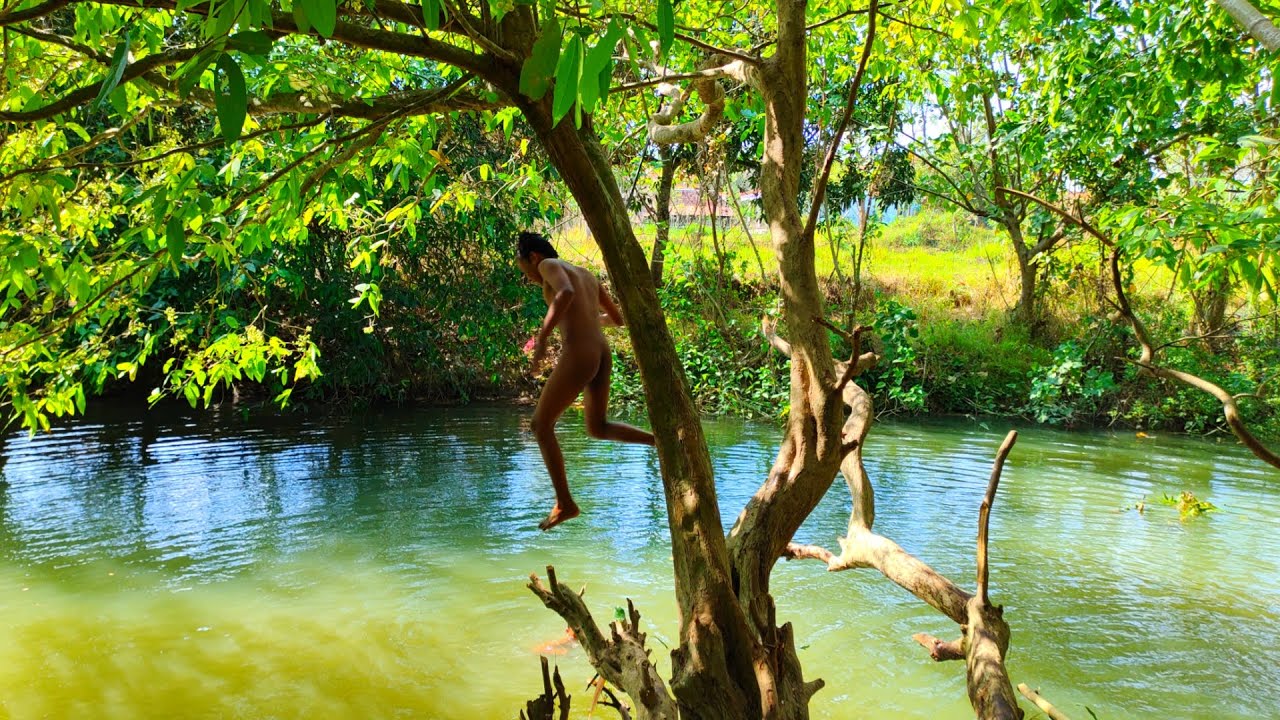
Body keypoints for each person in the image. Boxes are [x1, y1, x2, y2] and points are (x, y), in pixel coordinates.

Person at [516, 231, 655, 531]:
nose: (528, 278)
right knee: (597, 427)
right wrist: (589, 321)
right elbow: (617, 319)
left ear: (533, 258)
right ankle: (659, 442)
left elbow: (565, 294)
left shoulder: (548, 265)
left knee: (540, 425)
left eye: (524, 271)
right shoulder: (587, 275)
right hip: (601, 353)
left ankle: (565, 503)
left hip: (580, 353)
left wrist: (542, 338)